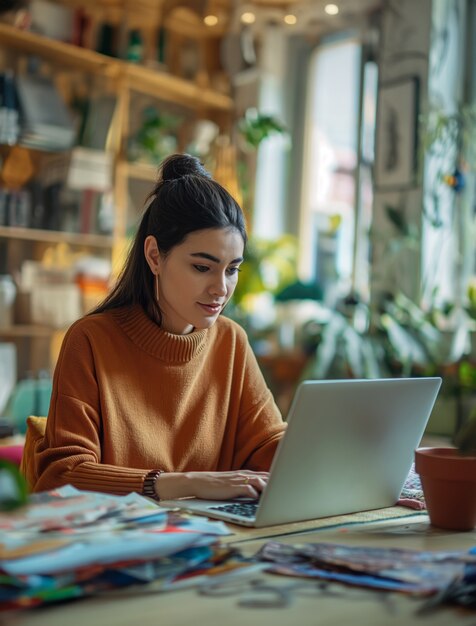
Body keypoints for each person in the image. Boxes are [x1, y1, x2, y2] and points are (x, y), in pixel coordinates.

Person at [31, 153, 286, 502]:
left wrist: (349, 470)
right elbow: (62, 475)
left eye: (232, 269)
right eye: (202, 267)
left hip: (214, 540)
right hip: (123, 543)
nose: (221, 288)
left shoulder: (231, 341)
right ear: (154, 256)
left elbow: (268, 443)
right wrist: (187, 483)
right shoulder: (90, 341)